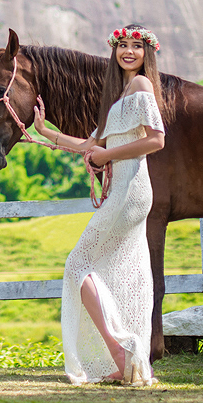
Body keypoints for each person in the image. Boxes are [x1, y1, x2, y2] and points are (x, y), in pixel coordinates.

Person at [32, 24, 166, 385]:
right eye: (122, 45)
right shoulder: (120, 96)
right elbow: (88, 145)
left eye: (136, 46)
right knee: (111, 270)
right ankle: (125, 359)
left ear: (146, 53)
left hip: (131, 190)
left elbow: (156, 140)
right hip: (124, 189)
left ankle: (122, 352)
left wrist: (108, 153)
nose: (128, 51)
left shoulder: (141, 86)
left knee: (78, 264)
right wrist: (45, 131)